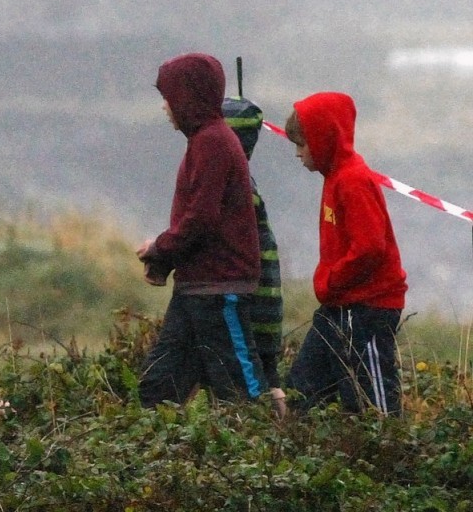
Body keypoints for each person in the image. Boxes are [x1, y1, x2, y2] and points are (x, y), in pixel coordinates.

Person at [136, 53, 264, 407]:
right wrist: (165, 259)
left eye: (170, 97)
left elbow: (200, 220)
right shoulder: (204, 141)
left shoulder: (213, 143)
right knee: (158, 389)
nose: (165, 107)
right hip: (196, 289)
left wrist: (160, 249)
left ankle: (271, 453)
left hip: (220, 290)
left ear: (187, 99)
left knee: (241, 395)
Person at [283, 92, 407, 416]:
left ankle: (387, 460)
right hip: (340, 305)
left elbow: (369, 249)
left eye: (301, 144)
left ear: (323, 139)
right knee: (302, 392)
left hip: (369, 308)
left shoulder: (352, 180)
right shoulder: (334, 176)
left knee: (371, 406)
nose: (297, 153)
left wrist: (329, 281)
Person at [222, 96, 287, 415]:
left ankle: (275, 443)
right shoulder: (245, 182)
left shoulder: (237, 189)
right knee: (267, 378)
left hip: (252, 305)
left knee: (259, 388)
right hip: (265, 305)